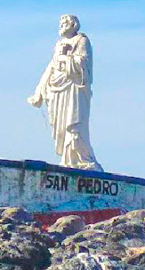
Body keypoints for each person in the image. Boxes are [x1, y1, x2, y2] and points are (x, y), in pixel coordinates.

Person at [27, 14, 102, 171]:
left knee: (75, 126)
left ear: (73, 24)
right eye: (60, 23)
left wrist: (65, 59)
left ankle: (82, 159)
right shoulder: (59, 44)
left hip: (75, 89)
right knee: (63, 126)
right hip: (59, 90)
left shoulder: (82, 41)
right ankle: (68, 160)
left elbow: (84, 66)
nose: (62, 25)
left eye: (65, 22)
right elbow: (51, 67)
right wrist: (39, 91)